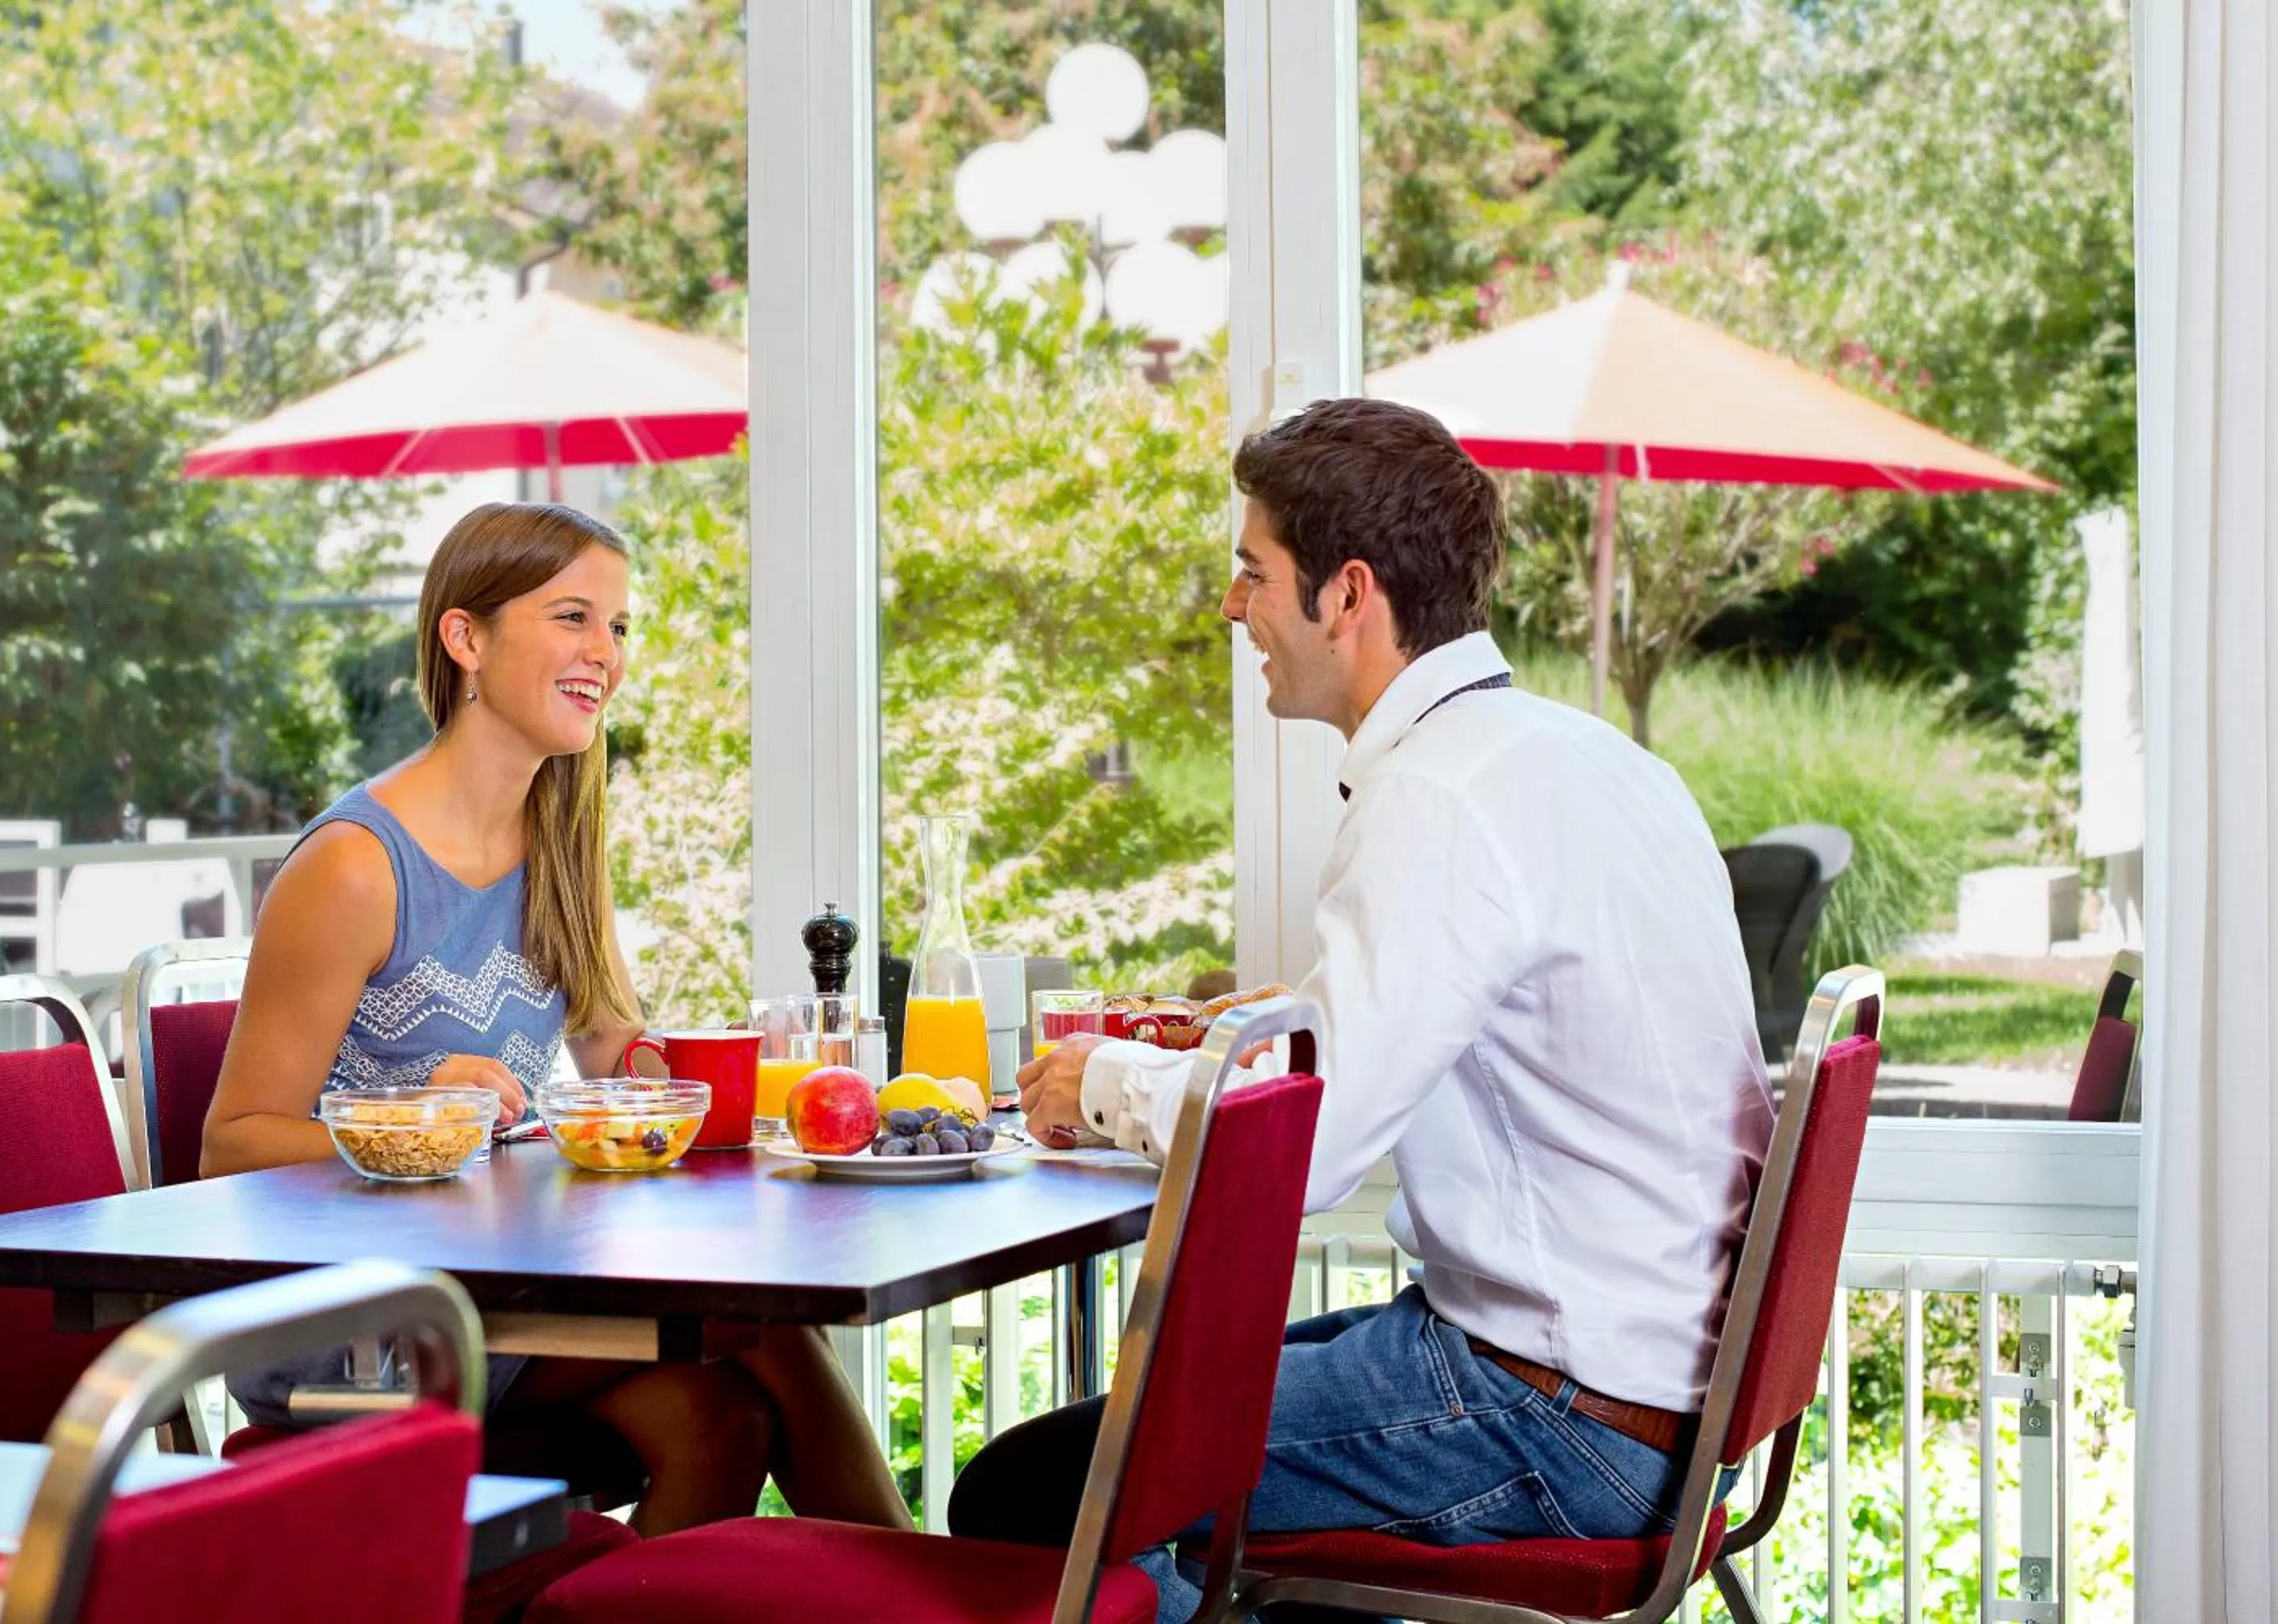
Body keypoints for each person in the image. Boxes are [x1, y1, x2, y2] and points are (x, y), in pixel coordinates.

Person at [950, 400, 1771, 1618]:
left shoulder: (1435, 797)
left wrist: (1106, 1083)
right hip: (1645, 1395)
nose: (1234, 608)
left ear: (1346, 593)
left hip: (1555, 1417)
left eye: (1251, 571)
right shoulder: (1588, 760)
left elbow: (1313, 1148)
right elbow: (1504, 1022)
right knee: (1164, 1407)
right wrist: (1281, 1020)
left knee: (1033, 1490)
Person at [202, 502, 909, 1538]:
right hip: (358, 1322)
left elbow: (616, 1047)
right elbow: (233, 1143)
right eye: (574, 617)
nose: (606, 655)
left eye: (618, 628)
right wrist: (417, 1118)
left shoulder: (557, 838)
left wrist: (765, 1079)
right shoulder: (355, 865)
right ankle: (941, 1589)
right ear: (467, 638)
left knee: (722, 1418)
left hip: (508, 1287)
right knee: (759, 1317)